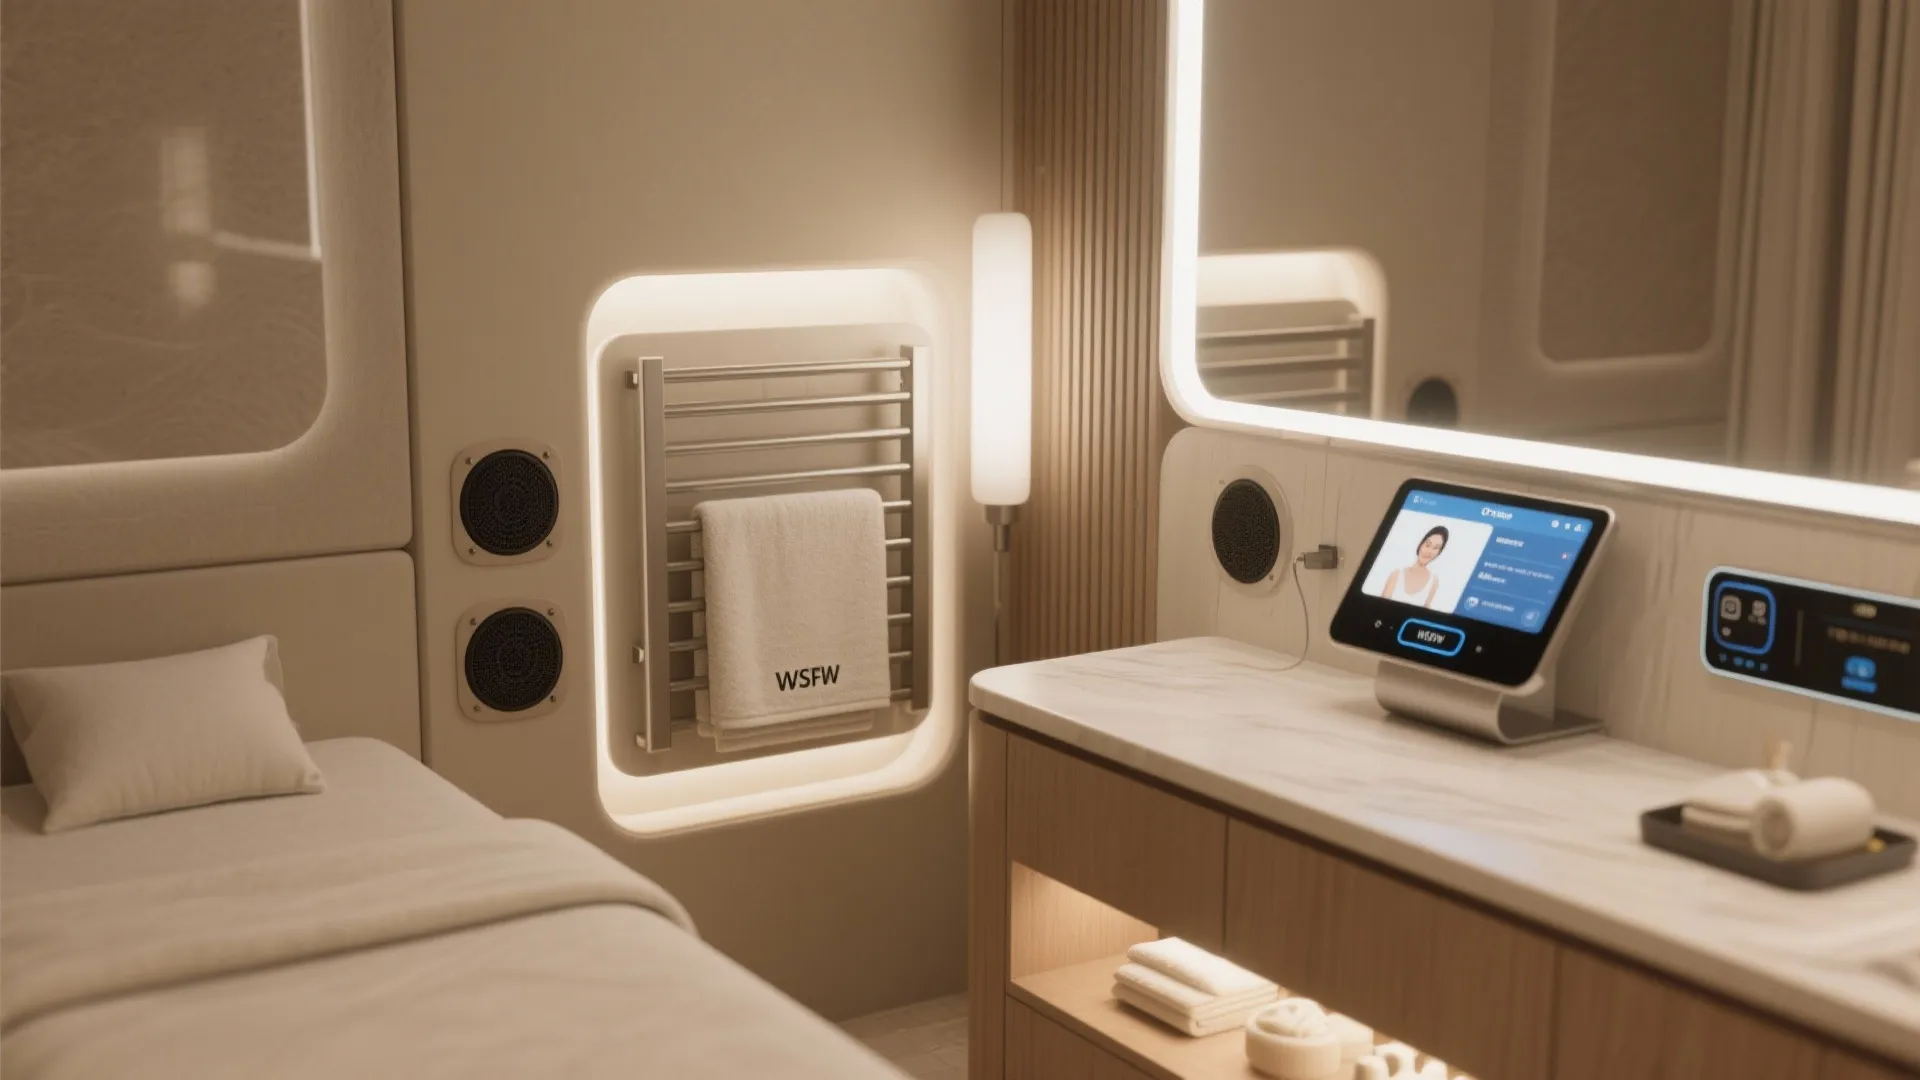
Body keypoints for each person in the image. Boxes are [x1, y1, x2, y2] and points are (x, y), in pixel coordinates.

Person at [1380, 525, 1448, 608]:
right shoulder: (1397, 574)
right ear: (1421, 544)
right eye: (1427, 545)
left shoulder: (1433, 581)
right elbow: (1380, 607)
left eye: (1435, 548)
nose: (1429, 551)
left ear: (1439, 552)